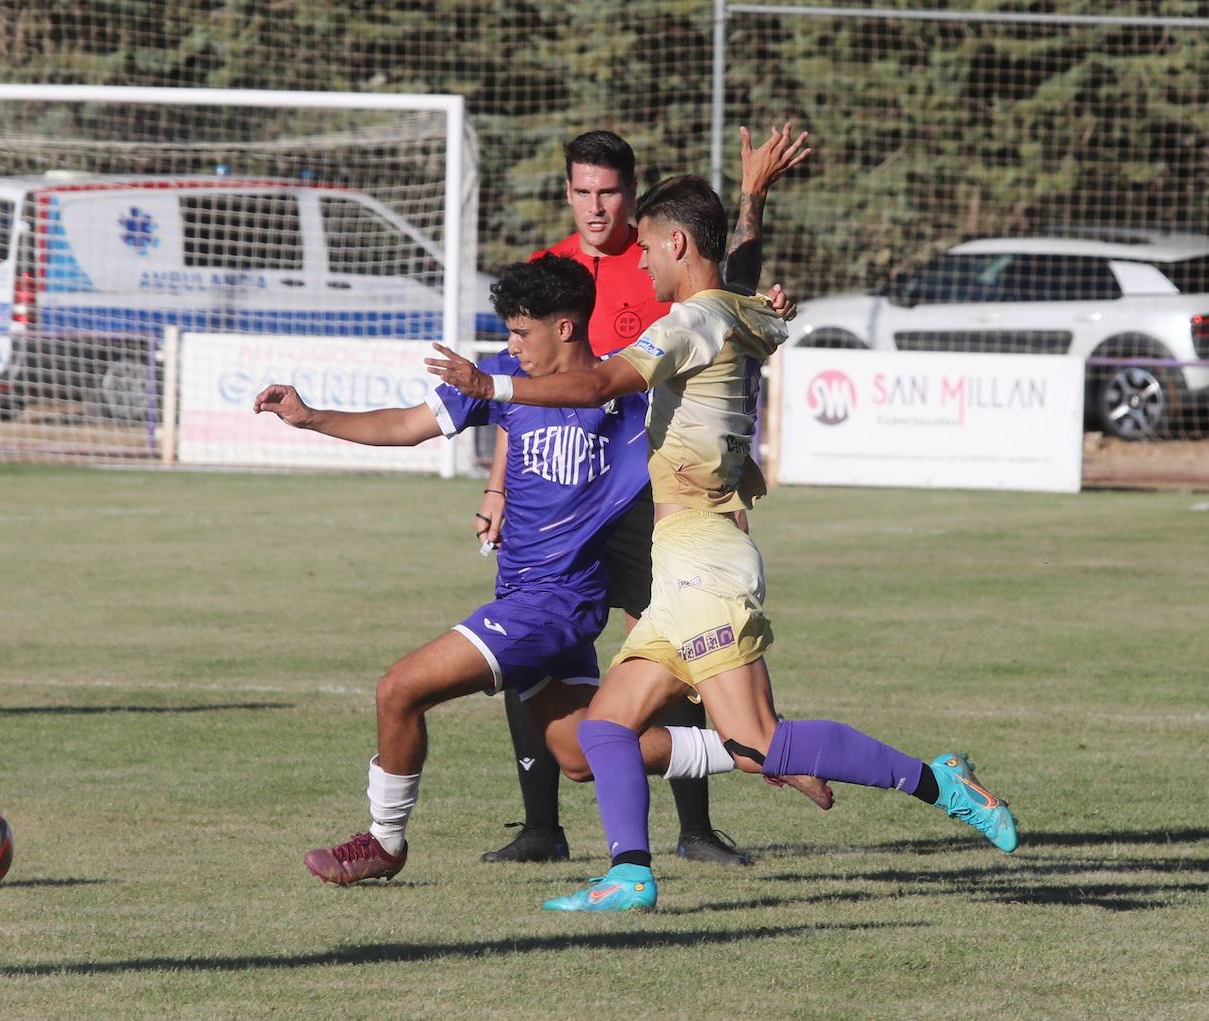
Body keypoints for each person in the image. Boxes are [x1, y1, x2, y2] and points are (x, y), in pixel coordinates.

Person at [426, 176, 1019, 913]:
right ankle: (631, 874)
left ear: (676, 243)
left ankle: (941, 781)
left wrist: (494, 384)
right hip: (680, 561)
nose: (639, 264)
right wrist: (752, 198)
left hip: (705, 559)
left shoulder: (687, 324)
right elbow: (735, 274)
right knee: (606, 725)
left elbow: (594, 384)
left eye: (646, 248)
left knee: (759, 740)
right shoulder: (743, 313)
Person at [256, 255, 757, 886]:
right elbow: (409, 425)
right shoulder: (498, 377)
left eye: (523, 333)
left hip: (553, 605)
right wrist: (311, 417)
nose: (511, 347)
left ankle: (384, 842)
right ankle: (752, 750)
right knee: (577, 753)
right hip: (525, 593)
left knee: (398, 689)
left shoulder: (626, 397)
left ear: (567, 328)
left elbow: (713, 340)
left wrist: (757, 290)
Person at [474, 124, 810, 868]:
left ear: (631, 197)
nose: (596, 206)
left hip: (636, 493)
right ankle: (541, 827)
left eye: (610, 192)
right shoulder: (548, 268)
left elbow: (729, 292)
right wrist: (499, 485)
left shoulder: (659, 259)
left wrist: (752, 202)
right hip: (560, 496)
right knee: (532, 639)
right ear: (567, 192)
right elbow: (527, 395)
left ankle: (694, 828)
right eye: (582, 191)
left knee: (675, 636)